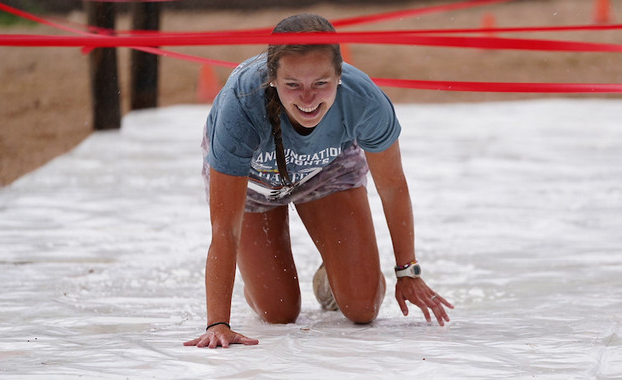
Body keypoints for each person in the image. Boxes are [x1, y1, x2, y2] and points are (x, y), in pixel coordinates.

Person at [184, 14, 453, 349]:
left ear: (339, 76)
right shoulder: (241, 105)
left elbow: (393, 187)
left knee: (363, 306)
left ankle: (335, 272)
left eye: (321, 84)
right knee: (279, 311)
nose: (308, 100)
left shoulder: (364, 100)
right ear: (272, 78)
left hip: (327, 170)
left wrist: (407, 272)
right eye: (293, 84)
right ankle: (258, 274)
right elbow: (225, 228)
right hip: (254, 183)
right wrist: (218, 323)